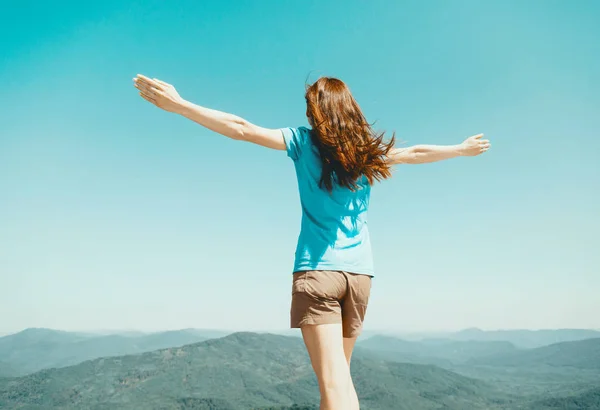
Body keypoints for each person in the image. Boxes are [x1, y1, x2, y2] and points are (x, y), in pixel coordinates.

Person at [133, 74, 491, 410]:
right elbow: (415, 154)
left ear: (317, 112)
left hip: (318, 274)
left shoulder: (303, 142)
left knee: (334, 387)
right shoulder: (367, 153)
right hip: (360, 280)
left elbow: (241, 128)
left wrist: (181, 106)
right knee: (336, 384)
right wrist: (459, 149)